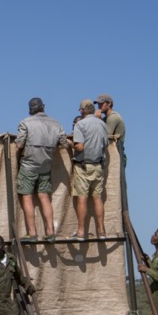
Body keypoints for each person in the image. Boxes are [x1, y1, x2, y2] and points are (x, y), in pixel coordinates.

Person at [14, 97, 67, 240]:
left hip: (28, 165)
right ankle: (50, 232)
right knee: (44, 197)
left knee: (27, 197)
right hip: (46, 165)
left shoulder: (25, 122)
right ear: (43, 107)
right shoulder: (56, 123)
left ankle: (32, 233)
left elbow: (19, 145)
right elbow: (64, 143)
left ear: (31, 109)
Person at [67, 99, 108, 239]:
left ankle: (80, 231)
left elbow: (79, 147)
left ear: (82, 110)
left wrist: (69, 143)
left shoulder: (80, 124)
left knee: (82, 199)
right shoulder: (102, 124)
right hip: (98, 165)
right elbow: (106, 144)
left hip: (83, 166)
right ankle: (101, 231)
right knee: (98, 199)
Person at [95, 94, 126, 167]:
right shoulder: (106, 118)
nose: (99, 106)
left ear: (109, 104)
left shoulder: (113, 117)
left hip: (117, 154)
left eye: (102, 104)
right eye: (98, 104)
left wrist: (99, 120)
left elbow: (107, 136)